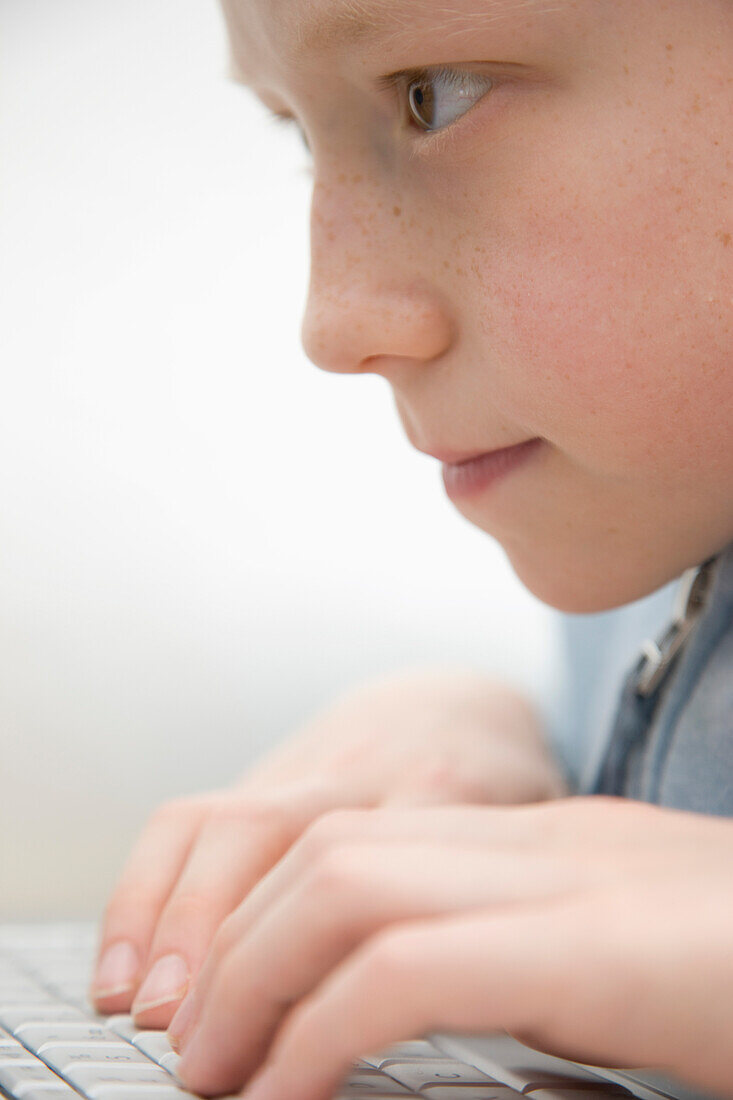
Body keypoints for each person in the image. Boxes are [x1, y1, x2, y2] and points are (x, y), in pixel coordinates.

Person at [90, 1, 733, 1097]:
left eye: (436, 93)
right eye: (301, 134)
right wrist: (526, 741)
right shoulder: (656, 528)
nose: (331, 323)